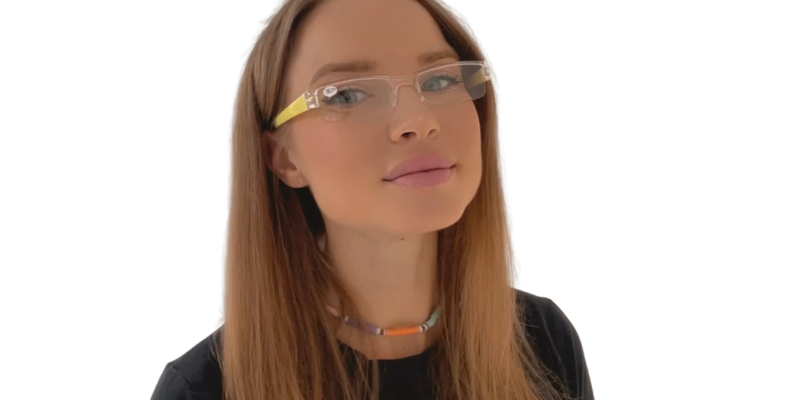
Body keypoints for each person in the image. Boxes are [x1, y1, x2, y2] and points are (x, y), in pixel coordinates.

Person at [150, 0, 594, 399]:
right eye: (348, 94)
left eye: (440, 79)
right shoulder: (205, 389)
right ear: (282, 157)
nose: (417, 120)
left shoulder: (543, 340)